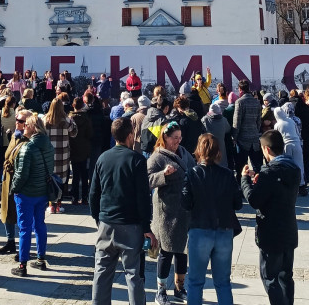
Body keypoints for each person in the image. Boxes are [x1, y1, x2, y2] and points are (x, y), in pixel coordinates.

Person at [90, 116, 156, 305]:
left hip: (107, 223)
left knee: (101, 273)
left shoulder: (103, 157)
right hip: (131, 225)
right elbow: (143, 197)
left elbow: (93, 193)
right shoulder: (136, 160)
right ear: (130, 135)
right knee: (133, 275)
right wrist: (146, 227)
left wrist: (99, 218)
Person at [182, 133, 243, 305]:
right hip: (224, 229)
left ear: (199, 151)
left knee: (195, 281)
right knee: (223, 282)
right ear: (218, 152)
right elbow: (237, 203)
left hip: (200, 229)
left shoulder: (192, 173)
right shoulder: (227, 174)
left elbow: (185, 203)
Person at [241, 130, 299, 305]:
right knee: (286, 276)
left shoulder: (270, 172)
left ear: (266, 149)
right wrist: (261, 180)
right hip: (289, 230)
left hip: (271, 233)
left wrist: (245, 180)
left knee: (270, 278)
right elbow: (277, 190)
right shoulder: (293, 168)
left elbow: (254, 200)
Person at [147, 120, 195, 304]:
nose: (178, 141)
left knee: (182, 251)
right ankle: (160, 291)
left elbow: (193, 169)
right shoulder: (157, 157)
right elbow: (148, 180)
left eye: (180, 137)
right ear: (165, 138)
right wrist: (163, 175)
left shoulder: (183, 153)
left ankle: (179, 288)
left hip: (184, 209)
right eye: (175, 138)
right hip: (166, 212)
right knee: (166, 252)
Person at [10, 113, 55, 276]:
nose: (23, 127)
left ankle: (22, 264)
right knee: (40, 224)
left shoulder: (27, 148)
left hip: (27, 193)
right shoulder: (48, 145)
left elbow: (21, 174)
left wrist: (14, 188)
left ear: (33, 128)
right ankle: (41, 258)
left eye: (26, 125)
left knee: (24, 228)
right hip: (42, 191)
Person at [0, 109, 29, 256]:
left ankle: (24, 247)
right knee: (7, 211)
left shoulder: (29, 140)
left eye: (21, 121)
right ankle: (10, 241)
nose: (17, 122)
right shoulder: (15, 136)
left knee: (21, 216)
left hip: (20, 182)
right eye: (17, 119)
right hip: (7, 179)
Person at [44, 96, 77, 213]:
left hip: (49, 154)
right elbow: (74, 133)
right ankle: (59, 204)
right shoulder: (66, 120)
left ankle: (50, 204)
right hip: (62, 154)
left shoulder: (45, 120)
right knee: (62, 179)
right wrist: (72, 120)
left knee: (49, 178)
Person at [274, 103, 307, 196]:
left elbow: (277, 137)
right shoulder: (291, 121)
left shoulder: (277, 124)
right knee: (299, 164)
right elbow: (297, 131)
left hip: (286, 145)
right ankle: (302, 185)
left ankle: (289, 185)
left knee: (287, 165)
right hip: (297, 143)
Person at [233, 79, 263, 173]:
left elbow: (237, 122)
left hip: (243, 139)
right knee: (257, 166)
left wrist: (234, 137)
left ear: (240, 89)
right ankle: (259, 184)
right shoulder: (256, 102)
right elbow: (259, 121)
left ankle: (242, 184)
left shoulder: (239, 102)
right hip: (254, 137)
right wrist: (256, 131)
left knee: (241, 167)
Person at [69, 96, 93, 204]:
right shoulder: (86, 118)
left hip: (73, 148)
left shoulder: (70, 118)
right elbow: (90, 134)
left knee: (75, 175)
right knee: (84, 175)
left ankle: (74, 197)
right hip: (84, 148)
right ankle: (84, 197)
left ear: (73, 106)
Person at [201, 101, 232, 169]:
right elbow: (228, 129)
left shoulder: (205, 119)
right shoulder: (223, 120)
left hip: (208, 148)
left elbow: (201, 132)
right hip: (221, 149)